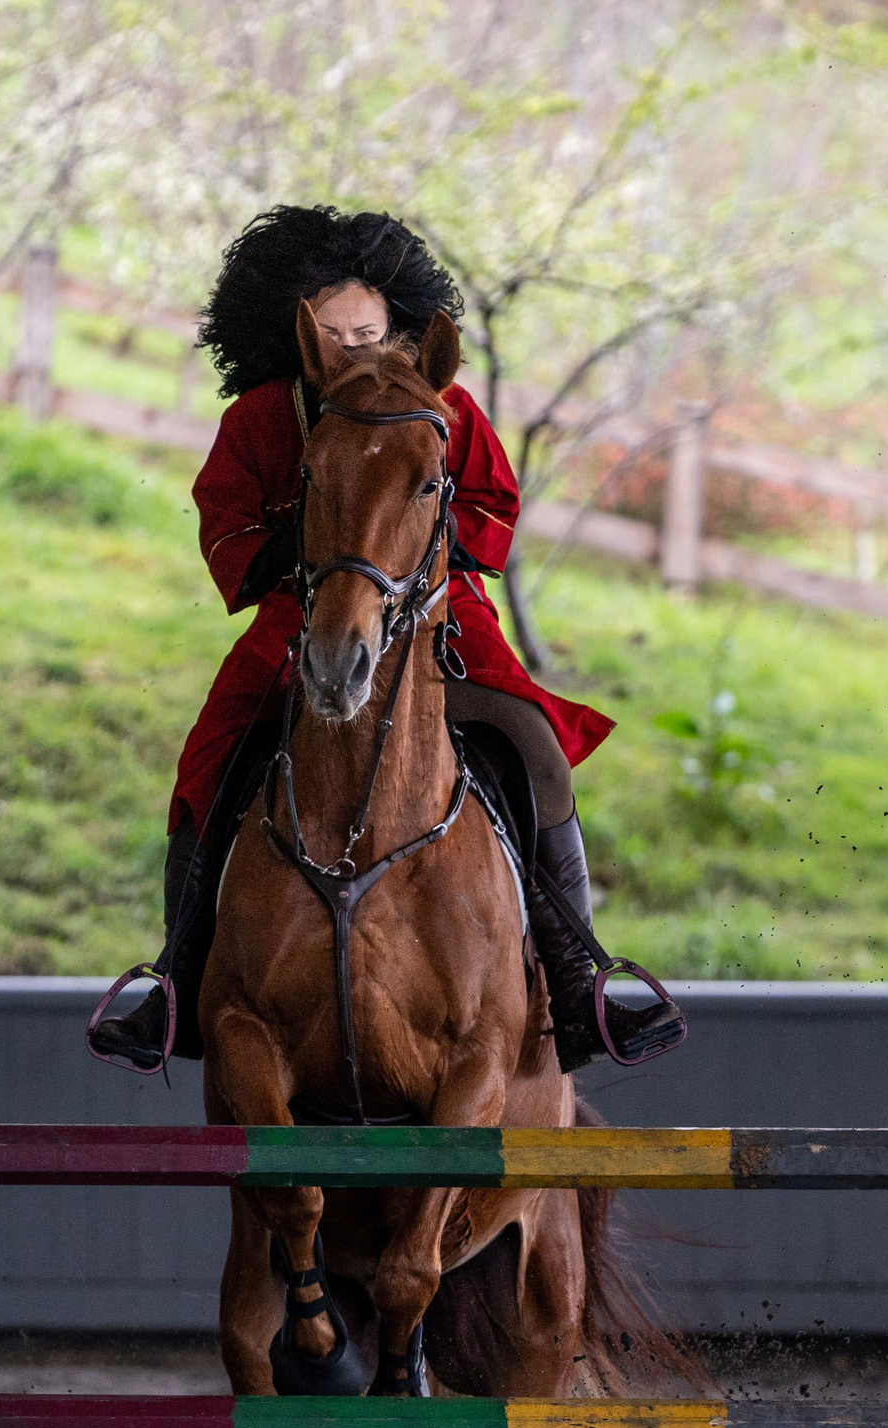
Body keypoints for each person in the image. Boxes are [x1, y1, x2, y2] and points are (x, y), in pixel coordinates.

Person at [88, 205, 684, 1076]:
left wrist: (418, 557)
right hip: (302, 618)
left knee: (537, 749)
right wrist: (304, 559)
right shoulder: (259, 419)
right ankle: (176, 983)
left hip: (443, 618)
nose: (354, 346)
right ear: (303, 339)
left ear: (397, 326)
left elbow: (492, 509)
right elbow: (225, 522)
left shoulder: (451, 410)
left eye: (367, 329)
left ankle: (579, 983)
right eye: (332, 334)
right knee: (207, 762)